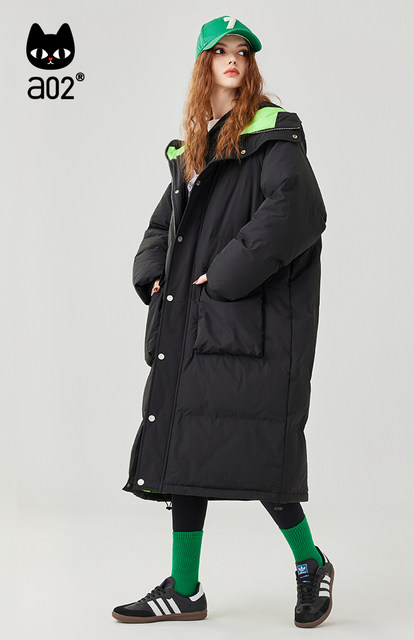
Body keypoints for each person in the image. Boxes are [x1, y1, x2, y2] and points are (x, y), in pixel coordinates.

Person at [112, 15, 333, 629]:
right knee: (188, 447)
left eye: (242, 51)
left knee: (258, 451)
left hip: (246, 326)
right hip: (194, 326)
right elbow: (163, 226)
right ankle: (185, 590)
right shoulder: (196, 147)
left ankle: (311, 562)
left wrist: (226, 272)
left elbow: (299, 210)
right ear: (203, 64)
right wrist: (154, 275)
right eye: (220, 51)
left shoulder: (272, 137)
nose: (233, 58)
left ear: (250, 65)